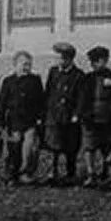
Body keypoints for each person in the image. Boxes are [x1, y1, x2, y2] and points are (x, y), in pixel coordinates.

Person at [77, 46, 111, 188]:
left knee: (107, 147)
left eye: (97, 61)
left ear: (105, 61)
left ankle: (105, 172)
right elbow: (82, 98)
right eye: (92, 61)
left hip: (108, 119)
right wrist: (82, 114)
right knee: (89, 147)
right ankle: (91, 174)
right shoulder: (88, 78)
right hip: (90, 118)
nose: (94, 64)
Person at [0, 50, 45, 185]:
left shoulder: (35, 80)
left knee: (30, 149)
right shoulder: (8, 81)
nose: (26, 67)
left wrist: (40, 118)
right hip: (13, 122)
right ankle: (12, 174)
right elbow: (1, 104)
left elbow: (41, 101)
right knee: (14, 149)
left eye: (29, 64)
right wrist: (0, 124)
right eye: (23, 64)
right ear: (15, 65)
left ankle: (26, 173)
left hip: (31, 121)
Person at [43, 42, 84, 185]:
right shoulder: (53, 72)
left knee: (71, 145)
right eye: (58, 58)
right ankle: (51, 172)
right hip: (54, 114)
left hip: (70, 115)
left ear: (69, 59)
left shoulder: (78, 75)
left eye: (61, 59)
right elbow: (48, 92)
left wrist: (76, 114)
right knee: (52, 144)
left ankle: (70, 172)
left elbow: (81, 97)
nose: (59, 61)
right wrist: (46, 111)